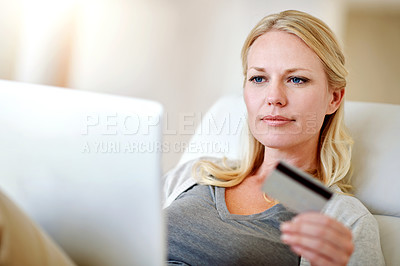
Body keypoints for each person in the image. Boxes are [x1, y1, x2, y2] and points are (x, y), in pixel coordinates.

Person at [163, 10, 385, 266]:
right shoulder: (195, 173)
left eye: (296, 79)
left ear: (333, 98)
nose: (274, 97)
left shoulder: (341, 218)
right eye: (259, 78)